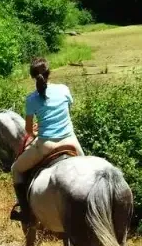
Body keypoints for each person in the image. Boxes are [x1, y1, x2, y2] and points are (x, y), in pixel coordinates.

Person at [10, 57, 84, 222]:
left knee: (16, 169)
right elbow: (66, 111)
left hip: (46, 145)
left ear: (32, 77)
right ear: (49, 73)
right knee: (87, 167)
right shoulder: (64, 89)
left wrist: (37, 132)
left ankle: (25, 212)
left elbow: (28, 130)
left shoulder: (31, 99)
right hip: (70, 141)